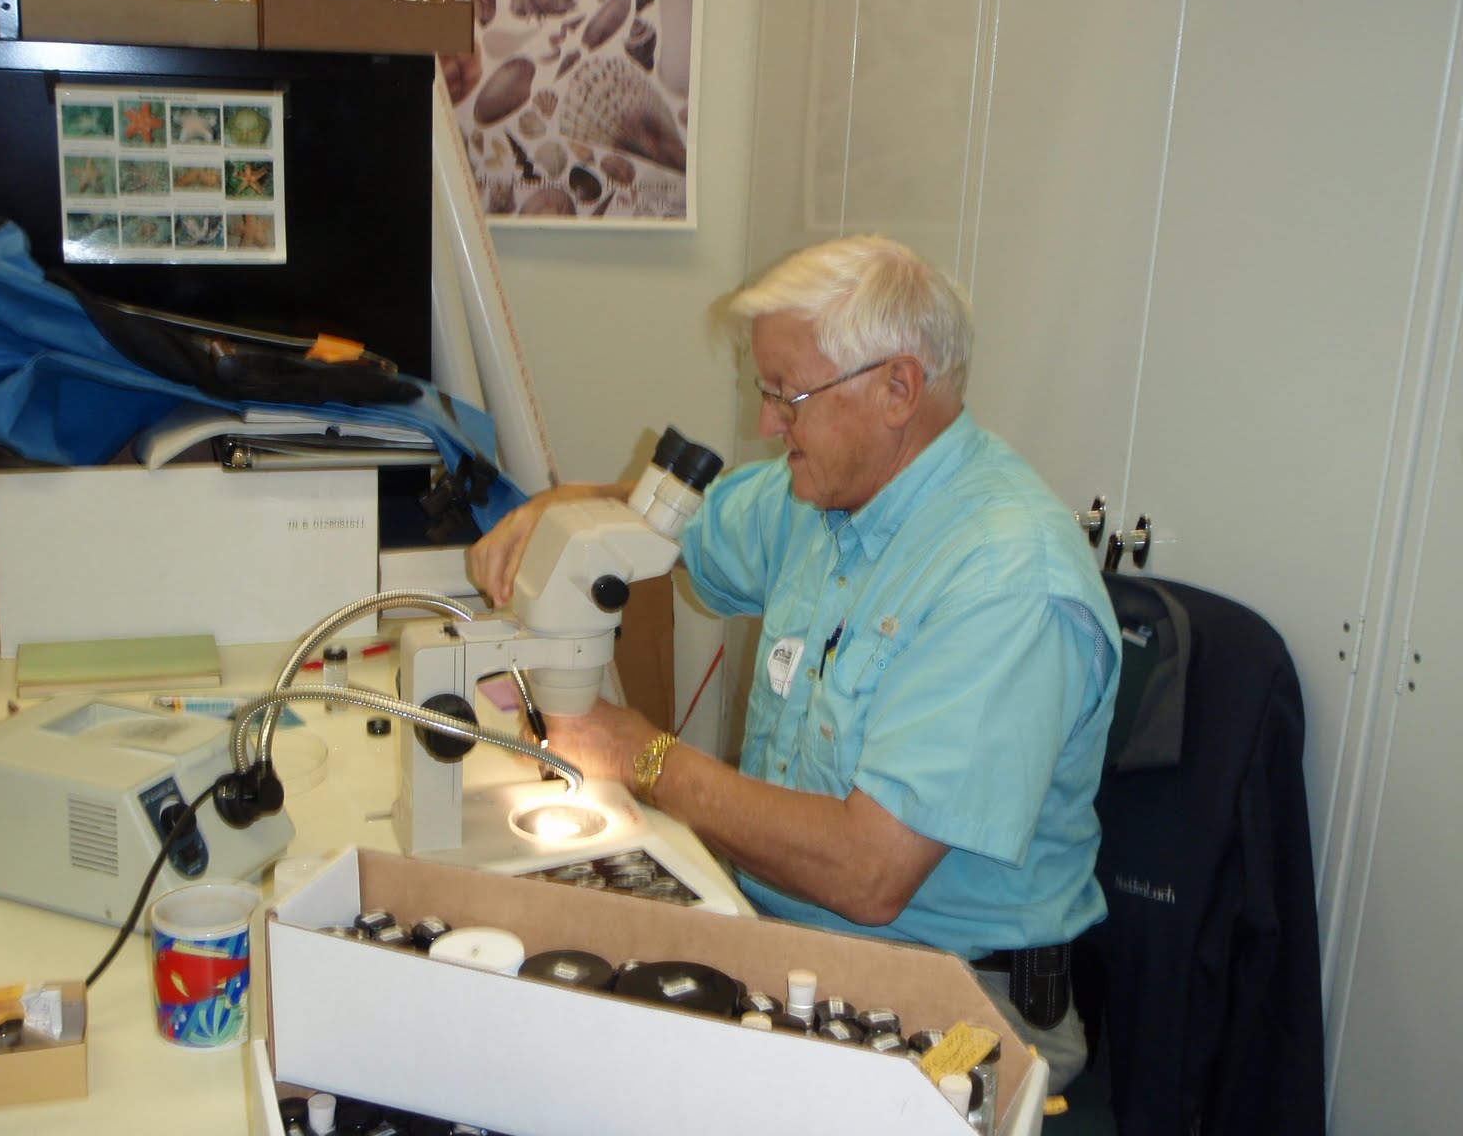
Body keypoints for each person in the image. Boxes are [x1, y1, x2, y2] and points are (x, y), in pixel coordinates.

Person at [468, 235, 1120, 1090]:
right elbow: (671, 530)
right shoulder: (818, 493)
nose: (767, 425)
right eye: (765, 390)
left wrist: (642, 756)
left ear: (897, 389)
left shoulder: (1006, 580)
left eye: (789, 396)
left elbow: (869, 872)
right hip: (783, 936)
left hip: (957, 1002)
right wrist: (556, 508)